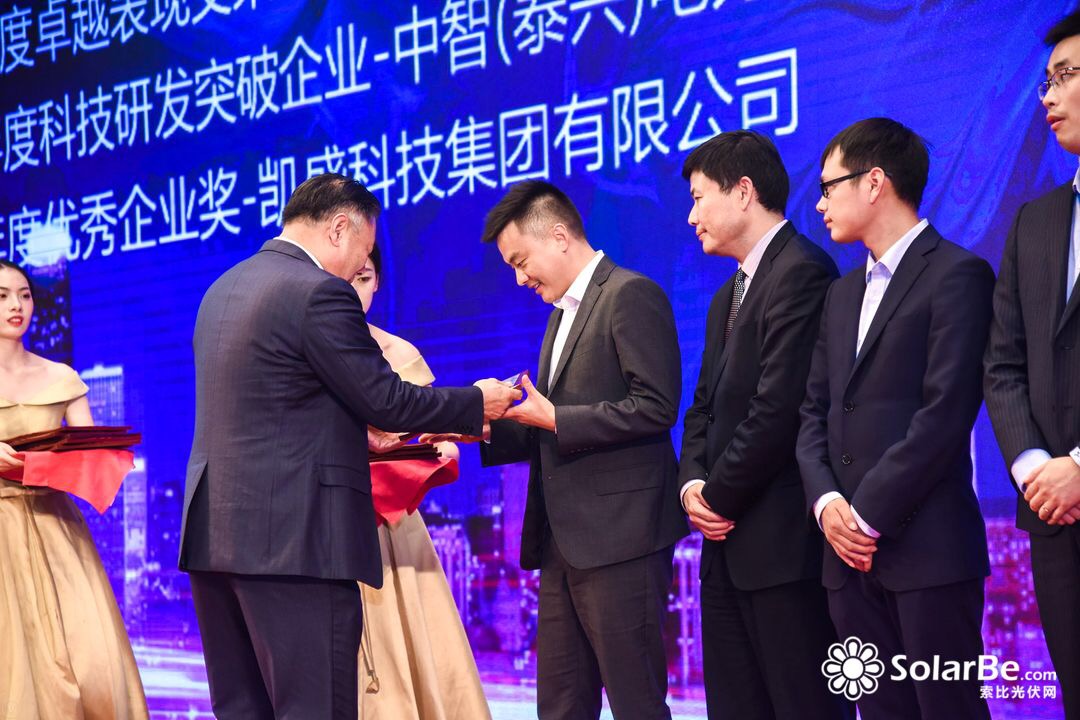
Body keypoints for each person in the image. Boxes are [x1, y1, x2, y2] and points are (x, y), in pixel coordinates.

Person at [178, 173, 518, 719]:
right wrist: (478, 402)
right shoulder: (318, 291)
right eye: (363, 251)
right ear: (339, 228)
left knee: (245, 709)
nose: (361, 266)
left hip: (214, 540)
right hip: (296, 545)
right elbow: (386, 400)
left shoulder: (222, 290)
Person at [796, 118, 994, 719]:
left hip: (929, 553)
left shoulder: (958, 273)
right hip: (846, 563)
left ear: (874, 181)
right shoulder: (840, 294)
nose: (820, 203)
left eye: (829, 187)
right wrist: (828, 505)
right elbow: (814, 414)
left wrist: (864, 517)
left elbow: (945, 415)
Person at [476, 180, 688, 720]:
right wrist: (481, 425)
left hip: (623, 540)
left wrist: (554, 417)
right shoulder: (559, 316)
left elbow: (656, 406)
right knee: (561, 707)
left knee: (637, 704)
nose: (520, 278)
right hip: (563, 547)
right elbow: (549, 424)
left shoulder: (630, 294)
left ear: (559, 235)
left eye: (521, 262)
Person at [678, 131, 849, 720]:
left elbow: (778, 410)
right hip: (724, 552)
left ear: (743, 191)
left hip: (781, 550)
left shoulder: (803, 271)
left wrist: (716, 498)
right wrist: (691, 485)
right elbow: (702, 408)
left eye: (699, 198)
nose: (692, 216)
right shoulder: (725, 294)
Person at [984, 11, 1080, 718]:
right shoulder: (1035, 221)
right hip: (1053, 517)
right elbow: (1003, 362)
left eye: (1066, 76)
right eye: (1045, 81)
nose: (1048, 95)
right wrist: (1036, 467)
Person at [0, 260, 149, 719]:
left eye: (24, 295)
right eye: (2, 296)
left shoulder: (61, 377)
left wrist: (49, 463)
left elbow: (87, 453)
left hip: (55, 526)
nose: (16, 305)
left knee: (88, 654)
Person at [349, 245, 491, 720]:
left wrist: (439, 445)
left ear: (378, 282)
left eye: (364, 278)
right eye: (346, 278)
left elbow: (429, 430)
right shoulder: (311, 353)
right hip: (332, 516)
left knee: (413, 644)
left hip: (394, 523)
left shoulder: (398, 352)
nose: (355, 289)